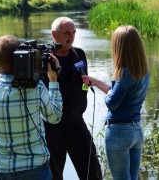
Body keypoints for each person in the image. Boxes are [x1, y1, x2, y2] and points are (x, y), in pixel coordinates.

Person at [0, 35, 63, 180]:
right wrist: (53, 79)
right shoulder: (35, 88)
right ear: (22, 57)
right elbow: (55, 117)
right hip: (35, 169)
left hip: (1, 169)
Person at [82, 25, 150, 180]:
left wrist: (109, 92)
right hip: (136, 131)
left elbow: (112, 103)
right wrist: (97, 82)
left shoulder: (124, 72)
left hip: (119, 132)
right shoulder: (144, 70)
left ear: (119, 47)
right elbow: (121, 97)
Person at [44, 17, 103, 180]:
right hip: (52, 127)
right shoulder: (45, 59)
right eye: (66, 33)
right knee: (54, 176)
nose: (71, 37)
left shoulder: (79, 54)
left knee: (93, 172)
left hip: (76, 122)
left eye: (74, 32)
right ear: (54, 34)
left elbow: (84, 83)